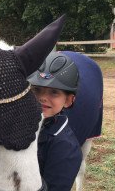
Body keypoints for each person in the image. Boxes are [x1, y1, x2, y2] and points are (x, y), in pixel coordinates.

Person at [27, 52, 82, 191]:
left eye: (54, 92)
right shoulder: (20, 124)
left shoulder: (66, 149)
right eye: (36, 90)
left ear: (69, 100)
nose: (42, 98)